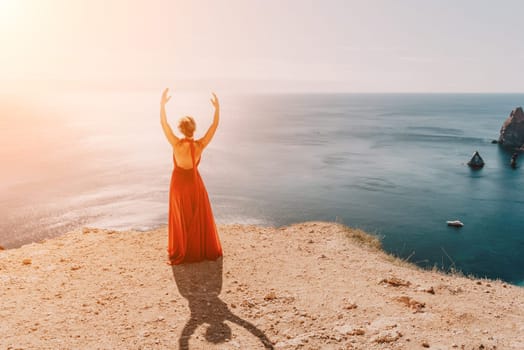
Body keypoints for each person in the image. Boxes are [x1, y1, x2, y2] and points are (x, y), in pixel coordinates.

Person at [160, 88, 223, 265]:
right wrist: (217, 109)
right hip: (195, 183)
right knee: (196, 216)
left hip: (179, 183)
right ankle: (198, 249)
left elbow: (163, 124)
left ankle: (183, 249)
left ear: (181, 129)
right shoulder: (200, 145)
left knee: (181, 216)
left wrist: (162, 105)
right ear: (193, 129)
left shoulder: (176, 144)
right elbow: (214, 127)